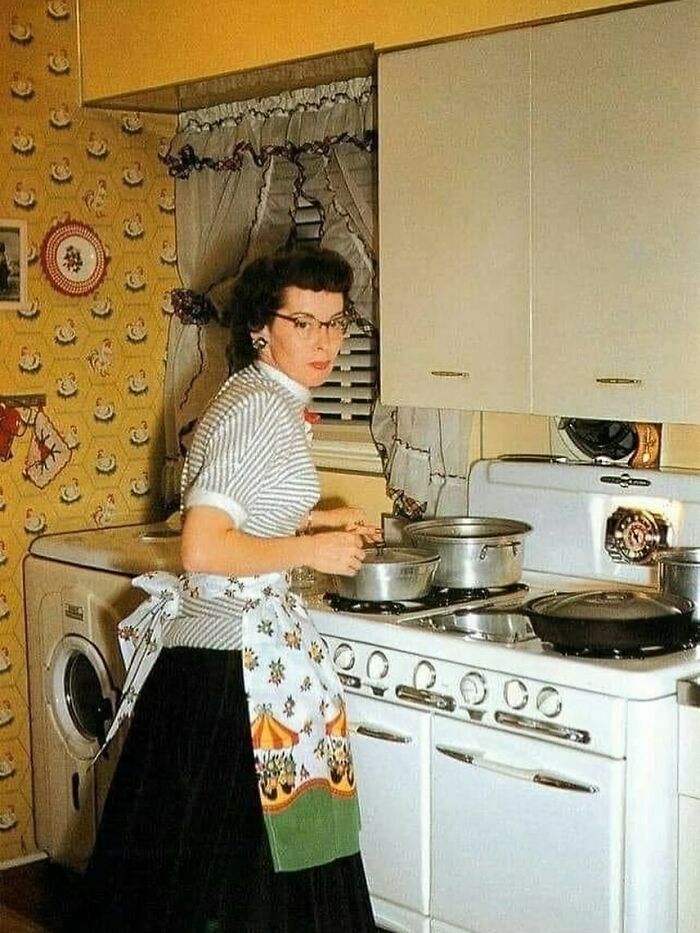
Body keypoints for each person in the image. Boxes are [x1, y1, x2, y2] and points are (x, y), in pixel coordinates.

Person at [78, 248, 381, 933]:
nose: (325, 342)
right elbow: (204, 545)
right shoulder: (259, 412)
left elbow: (246, 503)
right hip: (231, 675)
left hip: (230, 661)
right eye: (303, 322)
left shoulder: (265, 397)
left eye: (336, 324)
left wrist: (316, 517)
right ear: (259, 327)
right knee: (244, 878)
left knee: (210, 873)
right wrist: (313, 548)